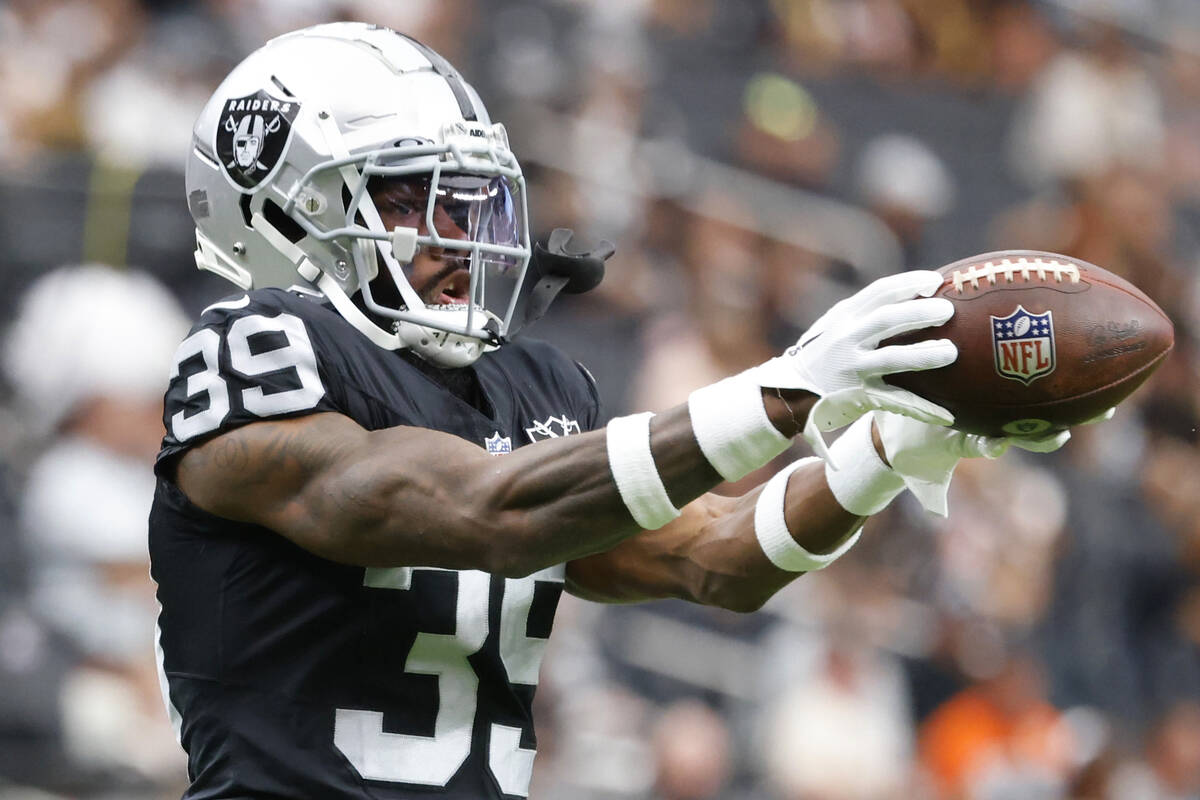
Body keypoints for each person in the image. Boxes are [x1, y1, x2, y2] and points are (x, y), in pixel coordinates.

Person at [150, 22, 1066, 799]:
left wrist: (886, 446)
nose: (463, 240)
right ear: (287, 212)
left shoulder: (529, 389)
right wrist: (788, 386)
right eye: (416, 202)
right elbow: (483, 512)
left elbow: (724, 559)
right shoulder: (256, 352)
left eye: (474, 204)